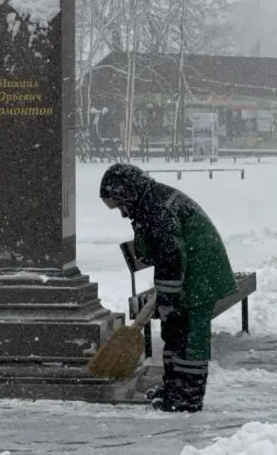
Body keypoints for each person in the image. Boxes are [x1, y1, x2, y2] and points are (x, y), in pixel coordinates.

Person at [99, 163, 237, 412]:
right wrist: (166, 298)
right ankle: (174, 390)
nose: (122, 213)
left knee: (189, 338)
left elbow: (171, 256)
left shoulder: (154, 207)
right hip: (191, 274)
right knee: (175, 333)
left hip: (199, 277)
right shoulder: (150, 200)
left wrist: (167, 299)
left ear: (128, 192)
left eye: (119, 204)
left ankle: (188, 397)